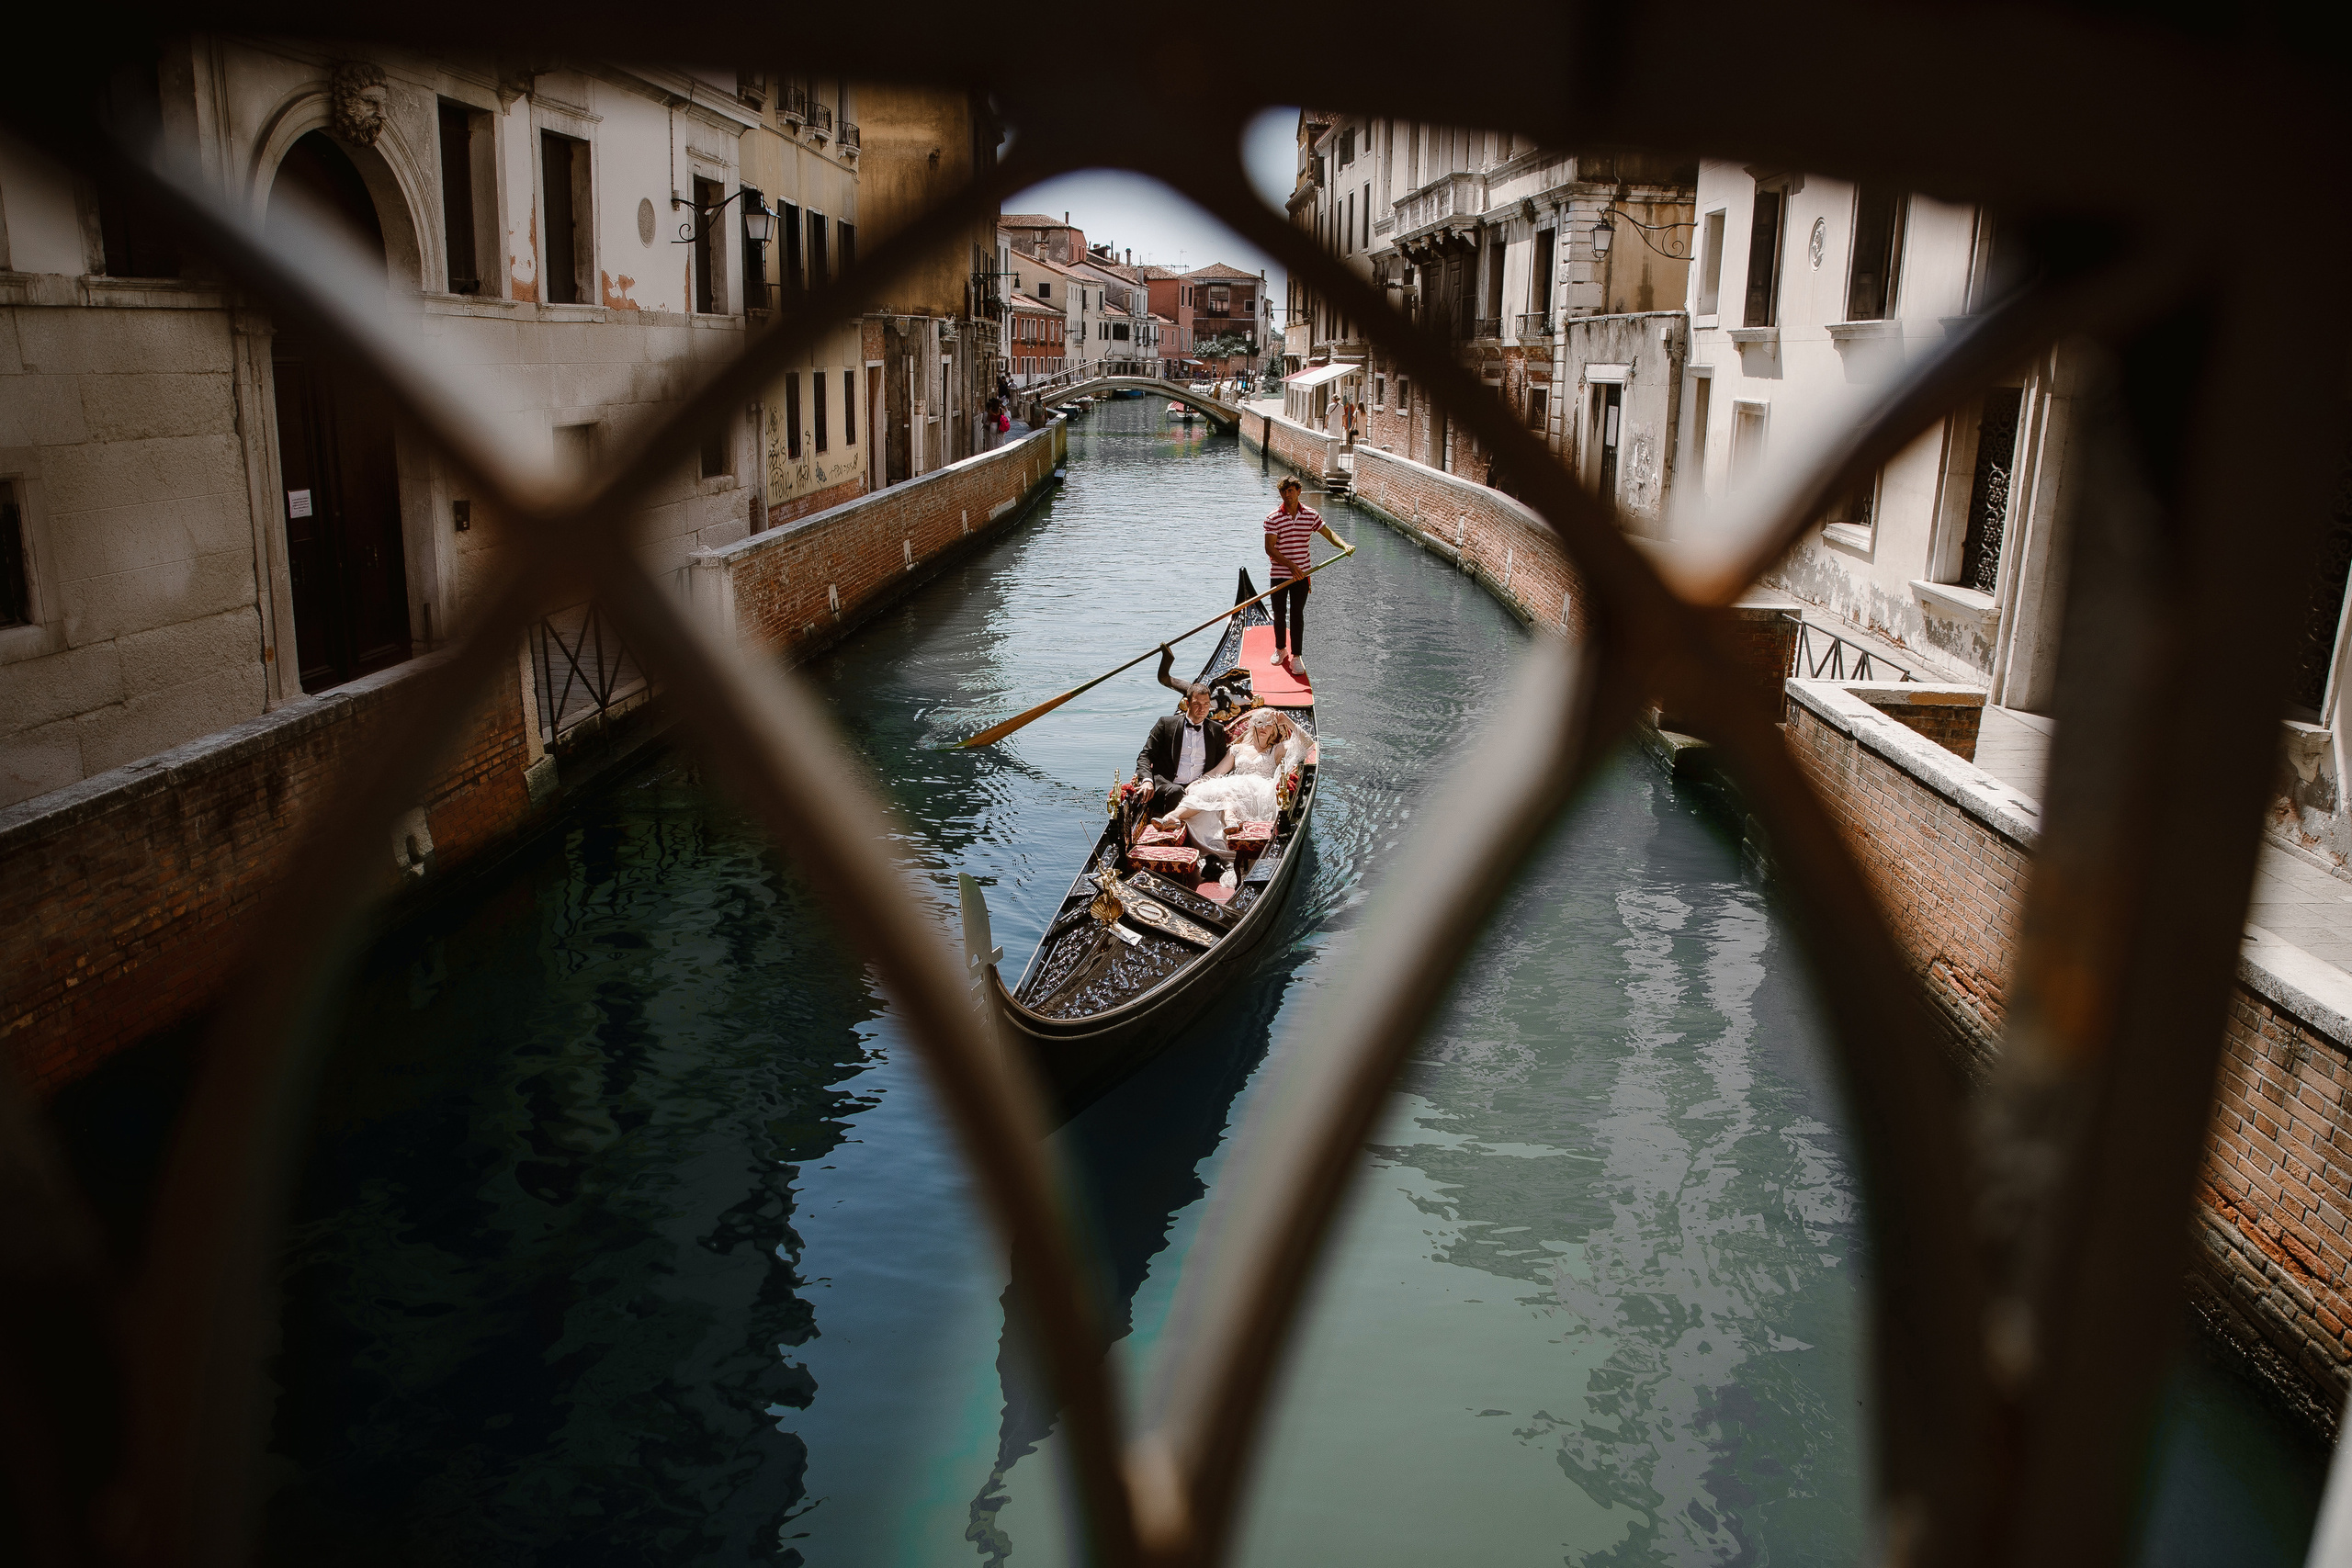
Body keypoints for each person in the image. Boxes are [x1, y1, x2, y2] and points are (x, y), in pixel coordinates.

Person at [1152, 709, 1307, 856]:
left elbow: (1308, 743)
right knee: (1213, 789)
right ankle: (1172, 817)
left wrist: (1287, 721)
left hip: (1258, 793)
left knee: (1227, 790)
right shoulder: (1237, 749)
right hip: (1233, 787)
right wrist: (1198, 782)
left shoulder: (1277, 750)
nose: (1263, 727)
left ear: (1274, 728)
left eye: (1269, 723)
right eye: (1260, 722)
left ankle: (1230, 818)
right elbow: (1217, 772)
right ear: (1253, 725)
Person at [1262, 476, 1349, 680]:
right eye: (1284, 491)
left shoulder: (1310, 515)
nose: (1287, 495)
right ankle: (1280, 648)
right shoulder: (1273, 517)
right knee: (1279, 612)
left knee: (1297, 615)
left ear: (1298, 491)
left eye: (1291, 490)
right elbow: (1269, 549)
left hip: (1303, 575)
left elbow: (1328, 534)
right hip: (1280, 575)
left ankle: (1296, 656)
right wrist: (1292, 566)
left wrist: (1344, 545)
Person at [1135, 647, 1230, 814]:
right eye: (1197, 705)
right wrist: (1147, 780)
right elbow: (1145, 756)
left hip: (1200, 787)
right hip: (1168, 786)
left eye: (1206, 705)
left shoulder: (1217, 730)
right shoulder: (1166, 724)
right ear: (1187, 704)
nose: (1202, 710)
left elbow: (1221, 764)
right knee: (1176, 792)